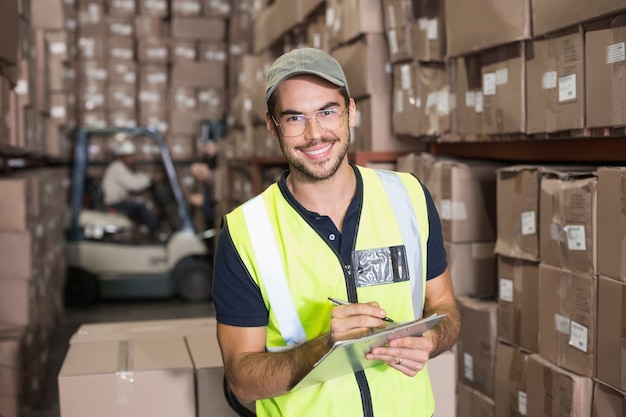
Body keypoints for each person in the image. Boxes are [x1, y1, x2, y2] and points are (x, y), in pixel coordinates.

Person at [212, 47, 461, 417]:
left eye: (328, 112)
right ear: (272, 126)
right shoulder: (245, 232)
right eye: (295, 118)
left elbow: (446, 309)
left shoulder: (408, 197)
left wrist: (430, 340)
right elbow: (242, 379)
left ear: (351, 112)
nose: (315, 134)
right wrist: (326, 347)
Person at [101, 138, 161, 241]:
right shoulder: (117, 167)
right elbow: (133, 184)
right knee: (141, 207)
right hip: (114, 202)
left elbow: (134, 178)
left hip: (118, 200)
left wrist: (147, 177)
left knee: (138, 206)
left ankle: (146, 233)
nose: (131, 158)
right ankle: (156, 234)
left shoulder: (120, 167)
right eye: (129, 155)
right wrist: (150, 178)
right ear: (122, 156)